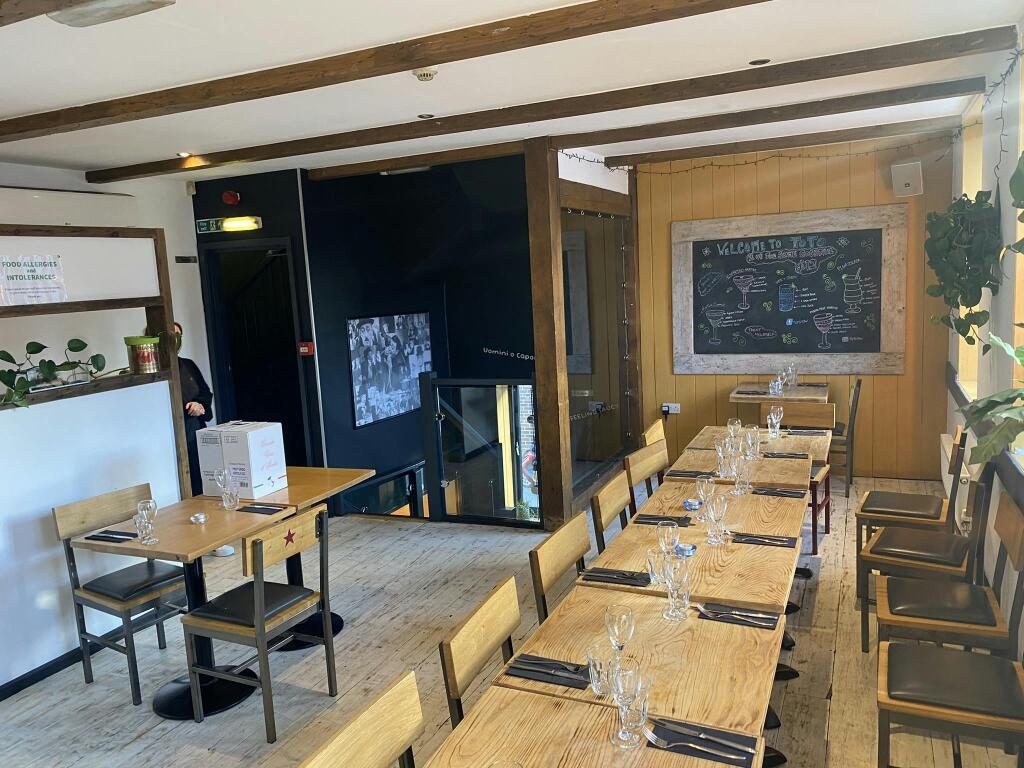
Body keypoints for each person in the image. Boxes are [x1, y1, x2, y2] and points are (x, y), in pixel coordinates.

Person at [174, 322, 232, 557]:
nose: (175, 340)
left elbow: (206, 393)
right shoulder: (154, 372)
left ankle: (213, 539)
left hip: (196, 433)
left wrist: (199, 405)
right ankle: (188, 544)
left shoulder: (187, 364)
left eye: (178, 335)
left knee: (203, 488)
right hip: (172, 438)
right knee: (181, 492)